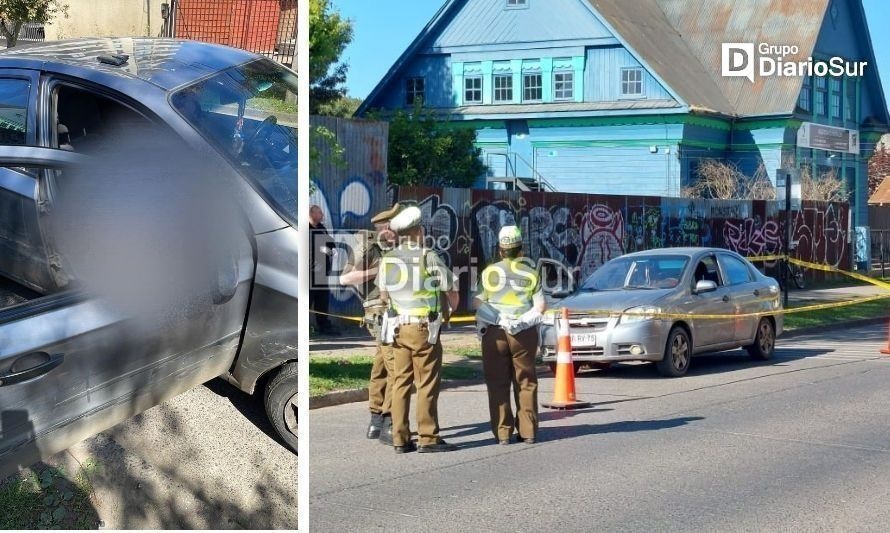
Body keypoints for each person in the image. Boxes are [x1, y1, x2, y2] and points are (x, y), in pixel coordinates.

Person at [377, 206, 459, 454]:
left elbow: (383, 296)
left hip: (397, 328)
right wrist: (450, 313)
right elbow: (451, 289)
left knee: (400, 382)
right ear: (418, 231)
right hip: (424, 328)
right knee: (426, 383)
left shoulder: (387, 259)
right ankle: (428, 437)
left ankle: (400, 439)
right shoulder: (427, 256)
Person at [475, 225, 546, 445]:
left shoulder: (490, 273)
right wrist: (521, 321)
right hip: (523, 333)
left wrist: (500, 320)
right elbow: (541, 306)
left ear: (500, 250)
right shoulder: (531, 273)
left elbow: (477, 303)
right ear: (521, 249)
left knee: (497, 382)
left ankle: (503, 433)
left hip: (495, 333)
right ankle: (528, 432)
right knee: (525, 381)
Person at [339, 203, 401, 443]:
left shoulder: (398, 246)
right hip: (379, 311)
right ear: (386, 227)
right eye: (396, 226)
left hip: (396, 310)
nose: (399, 231)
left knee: (382, 364)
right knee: (398, 366)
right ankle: (388, 421)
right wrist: (377, 271)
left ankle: (375, 420)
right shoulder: (367, 245)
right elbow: (346, 278)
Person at [309, 205, 340, 335]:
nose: (322, 215)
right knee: (307, 300)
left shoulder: (321, 228)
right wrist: (321, 249)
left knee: (322, 301)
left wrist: (330, 250)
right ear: (312, 214)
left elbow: (330, 245)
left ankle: (324, 326)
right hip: (309, 274)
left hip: (322, 273)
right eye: (320, 212)